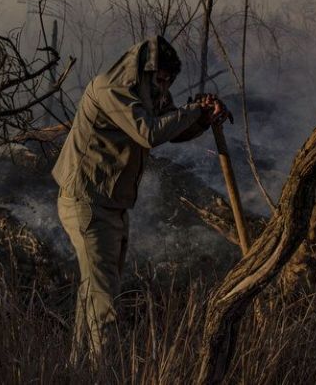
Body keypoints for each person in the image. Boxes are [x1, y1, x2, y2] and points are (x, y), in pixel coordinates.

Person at [52, 35, 227, 362]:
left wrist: (202, 118)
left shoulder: (149, 89)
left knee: (96, 291)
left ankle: (78, 369)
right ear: (146, 70)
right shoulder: (113, 89)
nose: (165, 86)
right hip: (88, 202)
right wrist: (193, 110)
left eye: (169, 80)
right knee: (104, 301)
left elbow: (172, 129)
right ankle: (104, 373)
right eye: (161, 78)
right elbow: (149, 133)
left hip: (110, 203)